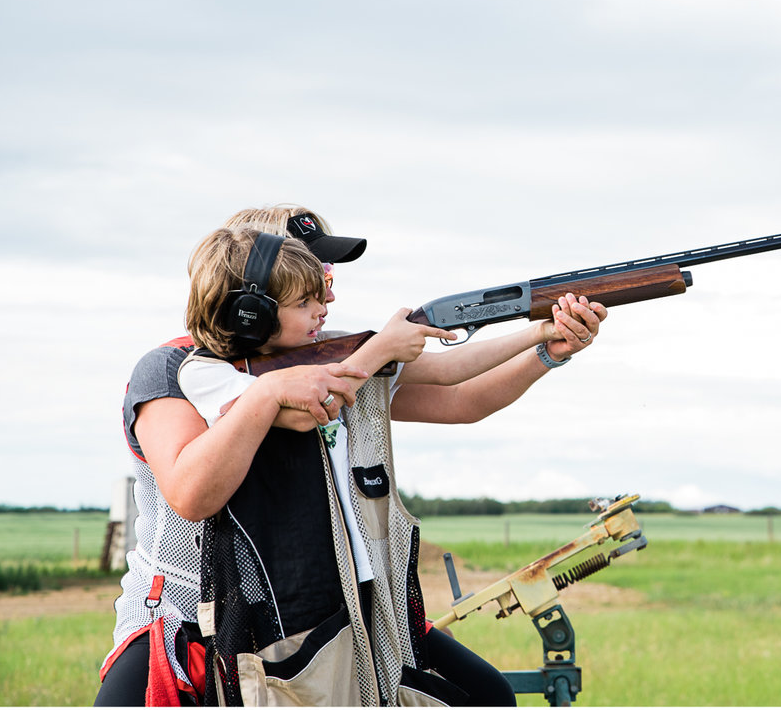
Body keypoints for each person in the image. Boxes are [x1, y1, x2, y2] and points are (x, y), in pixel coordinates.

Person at [98, 207, 606, 707]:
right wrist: (377, 349)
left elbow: (460, 395)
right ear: (254, 289)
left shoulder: (332, 351)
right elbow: (198, 486)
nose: (330, 288)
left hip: (344, 607)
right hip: (191, 616)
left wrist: (547, 347)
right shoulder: (176, 368)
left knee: (487, 696)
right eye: (313, 275)